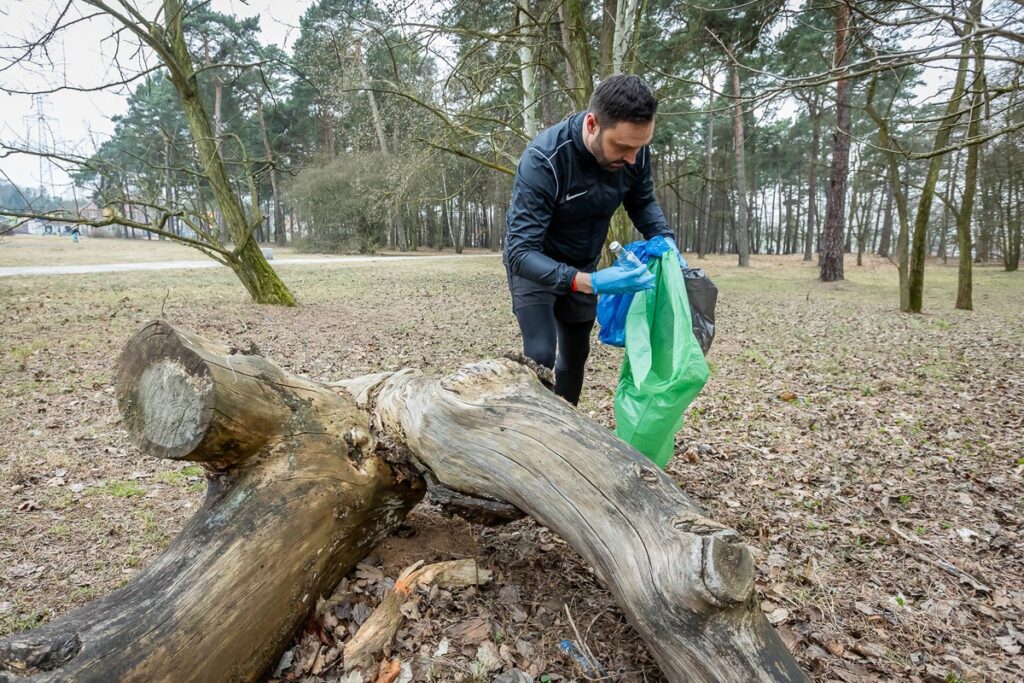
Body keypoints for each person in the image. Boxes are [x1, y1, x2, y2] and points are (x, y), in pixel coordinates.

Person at [503, 74, 685, 405]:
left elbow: (642, 202)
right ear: (592, 124)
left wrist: (664, 240)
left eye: (640, 147)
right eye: (624, 147)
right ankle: (536, 435)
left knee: (575, 356)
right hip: (536, 265)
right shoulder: (545, 160)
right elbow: (519, 251)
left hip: (583, 261)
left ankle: (567, 429)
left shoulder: (634, 154)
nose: (633, 159)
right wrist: (590, 281)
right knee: (541, 352)